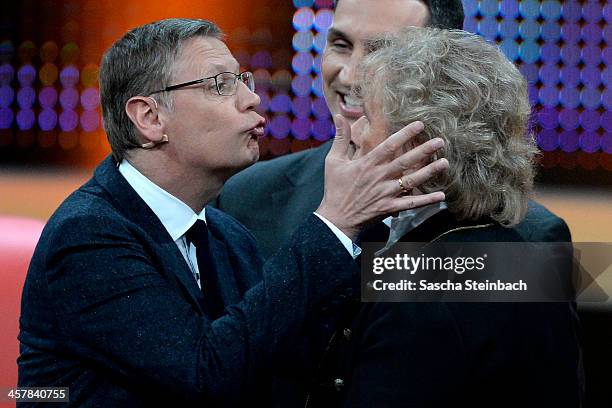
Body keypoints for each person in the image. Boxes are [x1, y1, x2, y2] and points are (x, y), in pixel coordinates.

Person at [17, 19, 449, 407]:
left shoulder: (226, 235)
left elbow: (276, 359)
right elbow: (206, 375)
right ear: (149, 118)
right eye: (221, 84)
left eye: (242, 80)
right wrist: (336, 222)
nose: (252, 99)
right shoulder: (89, 236)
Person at [304, 27, 583, 407]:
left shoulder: (418, 295)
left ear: (418, 147)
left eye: (367, 116)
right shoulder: (529, 247)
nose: (354, 132)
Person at [217, 0, 568, 260]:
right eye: (340, 44)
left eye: (383, 53)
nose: (350, 75)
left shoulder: (529, 239)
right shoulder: (247, 199)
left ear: (443, 65)